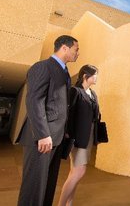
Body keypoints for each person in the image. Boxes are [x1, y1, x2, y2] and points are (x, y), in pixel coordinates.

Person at [17, 35, 79, 206]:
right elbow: (34, 101)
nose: (77, 53)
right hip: (42, 138)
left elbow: (58, 104)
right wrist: (43, 134)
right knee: (34, 187)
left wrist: (63, 130)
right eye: (76, 49)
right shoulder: (43, 67)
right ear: (64, 48)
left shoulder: (64, 73)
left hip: (56, 137)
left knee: (48, 185)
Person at [58, 64, 100, 206]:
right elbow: (68, 114)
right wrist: (67, 133)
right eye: (94, 74)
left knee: (74, 173)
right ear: (85, 76)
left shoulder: (93, 94)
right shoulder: (75, 91)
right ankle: (61, 204)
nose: (96, 77)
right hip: (78, 137)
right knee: (79, 172)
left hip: (88, 136)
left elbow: (94, 115)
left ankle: (68, 204)